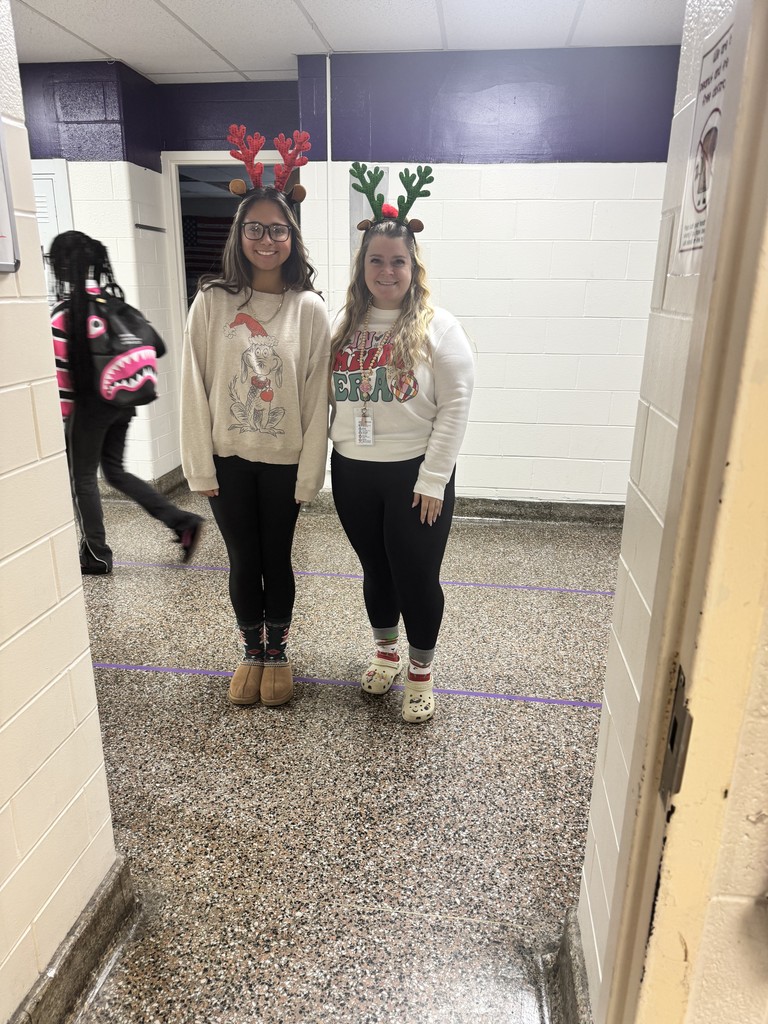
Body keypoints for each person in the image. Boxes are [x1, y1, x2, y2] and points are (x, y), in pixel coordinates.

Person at [180, 126, 329, 709]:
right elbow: (192, 384)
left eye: (278, 230)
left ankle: (279, 652)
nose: (267, 240)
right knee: (243, 557)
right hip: (228, 459)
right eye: (255, 228)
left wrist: (309, 474)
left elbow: (319, 398)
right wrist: (199, 465)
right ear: (239, 234)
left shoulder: (309, 309)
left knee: (278, 557)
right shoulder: (212, 301)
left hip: (284, 460)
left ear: (292, 236)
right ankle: (251, 651)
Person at [330, 164, 475, 723]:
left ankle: (420, 670)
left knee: (416, 575)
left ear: (413, 266)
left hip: (415, 477)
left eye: (398, 261)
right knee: (375, 570)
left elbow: (456, 405)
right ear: (362, 265)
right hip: (353, 471)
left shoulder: (440, 326)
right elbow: (320, 394)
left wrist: (434, 477)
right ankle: (386, 652)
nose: (386, 270)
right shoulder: (342, 322)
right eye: (376, 260)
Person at [49, 230, 204, 576]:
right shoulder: (116, 305)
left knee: (83, 479)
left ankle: (96, 554)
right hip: (123, 403)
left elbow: (62, 378)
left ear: (61, 267)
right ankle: (182, 521)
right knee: (114, 471)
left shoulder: (63, 316)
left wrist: (65, 423)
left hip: (86, 411)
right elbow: (157, 346)